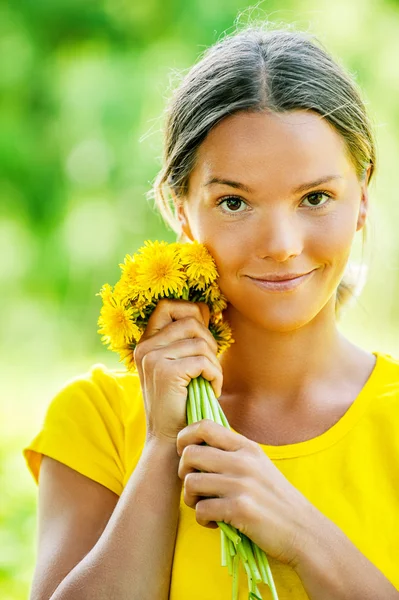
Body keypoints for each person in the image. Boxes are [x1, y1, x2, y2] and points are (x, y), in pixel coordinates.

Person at [23, 23, 399, 600]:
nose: (281, 243)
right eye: (234, 202)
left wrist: (304, 535)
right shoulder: (94, 420)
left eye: (315, 198)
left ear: (364, 197)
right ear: (181, 210)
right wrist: (159, 448)